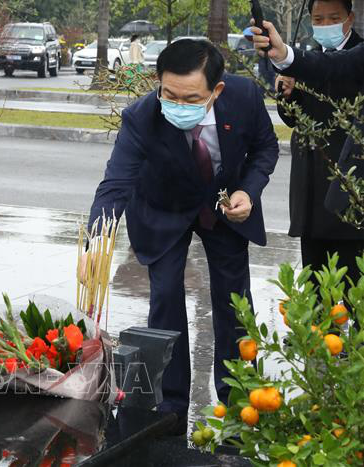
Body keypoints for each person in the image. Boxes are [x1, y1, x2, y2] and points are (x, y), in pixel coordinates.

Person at [83, 39, 279, 433]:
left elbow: (265, 149)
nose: (177, 104)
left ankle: (240, 397)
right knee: (166, 296)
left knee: (234, 300)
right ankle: (169, 403)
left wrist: (248, 192)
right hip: (163, 208)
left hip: (223, 206)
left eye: (191, 99)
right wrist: (96, 241)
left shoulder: (243, 96)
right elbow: (116, 182)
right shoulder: (141, 117)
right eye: (168, 94)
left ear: (216, 90)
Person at [275, 0, 364, 280]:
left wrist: (291, 58)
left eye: (333, 18)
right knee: (313, 291)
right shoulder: (307, 59)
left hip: (347, 186)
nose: (325, 25)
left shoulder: (355, 58)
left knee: (349, 287)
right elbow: (291, 118)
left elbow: (336, 70)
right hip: (309, 188)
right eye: (319, 19)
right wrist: (287, 94)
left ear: (349, 19)